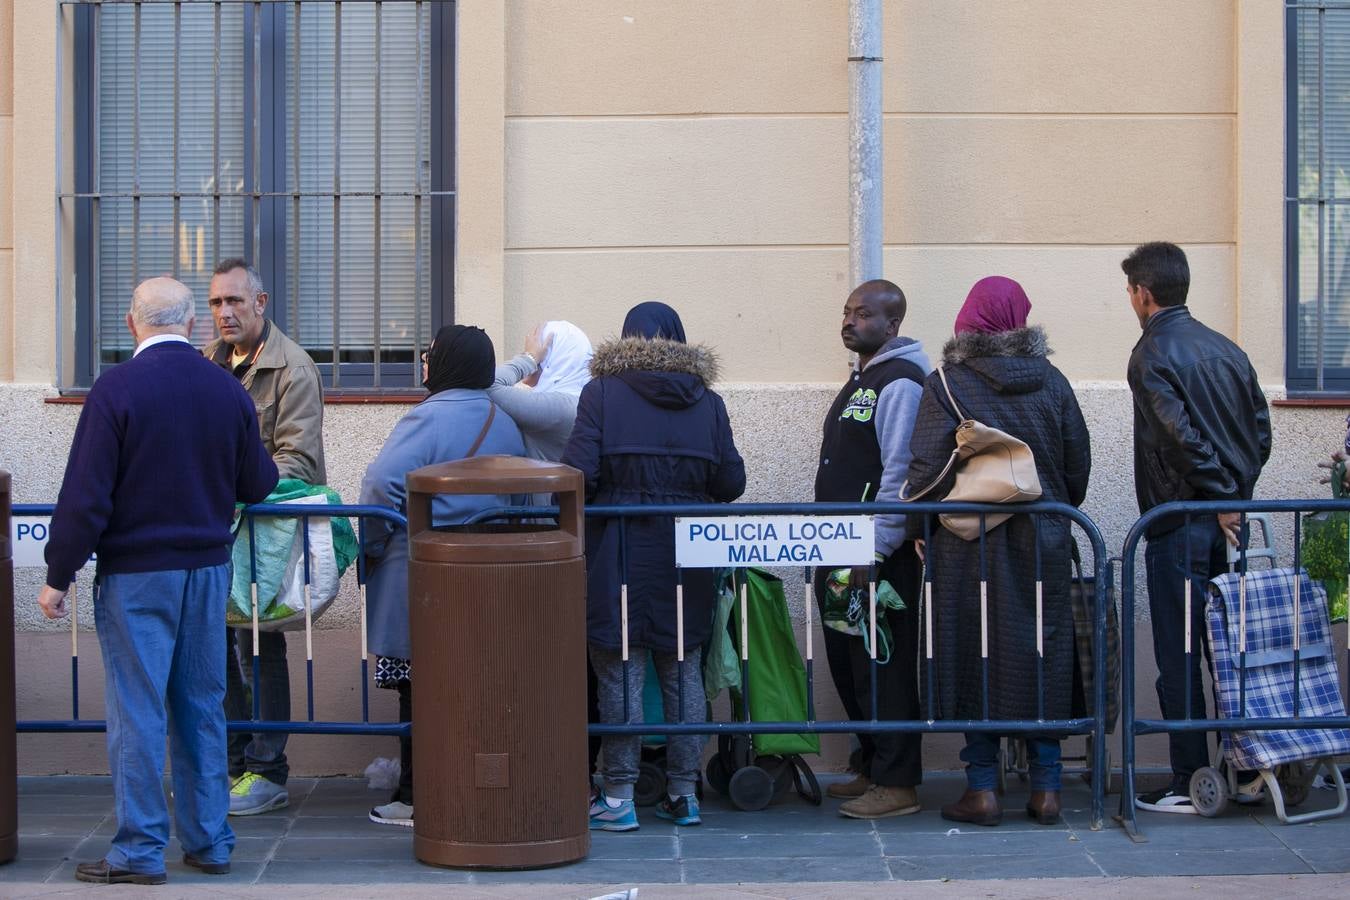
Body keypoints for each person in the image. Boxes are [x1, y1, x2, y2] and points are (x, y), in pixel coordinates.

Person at [39, 277, 278, 885]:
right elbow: (258, 483)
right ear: (194, 324)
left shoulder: (115, 390)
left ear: (131, 324)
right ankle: (210, 842)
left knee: (138, 711)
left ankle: (139, 851)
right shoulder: (225, 390)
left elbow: (86, 497)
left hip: (136, 577)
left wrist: (58, 575)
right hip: (207, 570)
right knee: (203, 706)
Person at [905, 276, 1091, 827]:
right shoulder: (1052, 381)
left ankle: (982, 789)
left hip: (969, 545)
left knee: (974, 655)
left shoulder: (947, 381)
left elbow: (925, 466)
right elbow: (1076, 465)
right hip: (1044, 540)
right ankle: (1047, 788)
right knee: (1043, 655)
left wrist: (921, 520)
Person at [563, 301, 745, 832]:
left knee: (619, 667)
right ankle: (684, 793)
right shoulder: (708, 401)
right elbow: (731, 483)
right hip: (687, 553)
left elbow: (579, 473)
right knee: (683, 666)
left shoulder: (600, 393)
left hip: (616, 549)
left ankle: (618, 796)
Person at [1122, 242, 1271, 814]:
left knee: (1180, 653)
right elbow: (1260, 432)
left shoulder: (1151, 354)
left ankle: (1189, 780)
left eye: (1129, 292)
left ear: (1143, 293)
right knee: (1231, 650)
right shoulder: (1227, 347)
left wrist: (1219, 498)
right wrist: (1235, 498)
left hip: (1181, 521)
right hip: (1225, 524)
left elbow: (1177, 438)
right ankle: (1247, 768)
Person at [360, 324, 526, 827]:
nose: (424, 364)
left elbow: (380, 483)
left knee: (418, 685)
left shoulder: (426, 418)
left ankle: (415, 796)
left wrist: (372, 545)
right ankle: (465, 783)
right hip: (484, 580)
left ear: (446, 362)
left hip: (423, 575)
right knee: (469, 687)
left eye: (430, 355)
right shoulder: (505, 421)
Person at [204, 258, 327, 817]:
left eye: (234, 301)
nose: (224, 313)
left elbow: (296, 461)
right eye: (214, 303)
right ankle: (229, 767)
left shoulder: (292, 368)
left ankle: (266, 770)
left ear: (261, 302)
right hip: (216, 526)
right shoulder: (208, 362)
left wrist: (226, 484)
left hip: (264, 528)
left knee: (260, 647)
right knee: (219, 648)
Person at [812, 279, 930, 819]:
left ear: (892, 324)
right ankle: (871, 763)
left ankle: (898, 781)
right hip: (839, 548)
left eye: (863, 313)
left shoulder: (901, 381)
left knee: (881, 662)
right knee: (849, 661)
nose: (850, 320)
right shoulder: (864, 377)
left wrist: (877, 547)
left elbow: (900, 473)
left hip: (873, 555)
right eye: (847, 310)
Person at [490, 320, 594, 461]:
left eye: (540, 354)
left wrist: (528, 359)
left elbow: (489, 383)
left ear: (553, 360)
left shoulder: (559, 407)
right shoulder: (584, 400)